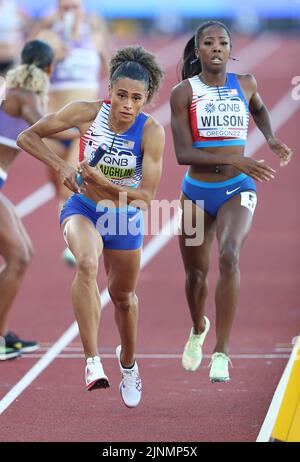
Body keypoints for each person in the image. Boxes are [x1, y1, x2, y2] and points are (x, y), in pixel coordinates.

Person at [17, 45, 165, 407]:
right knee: (84, 263)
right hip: (82, 208)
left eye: (137, 98)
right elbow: (27, 137)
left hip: (125, 216)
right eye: (121, 95)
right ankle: (92, 361)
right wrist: (62, 166)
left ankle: (128, 364)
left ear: (146, 99)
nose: (128, 105)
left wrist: (101, 181)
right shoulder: (85, 113)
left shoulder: (152, 133)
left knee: (123, 298)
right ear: (109, 91)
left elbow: (145, 198)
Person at [170, 21, 293, 383]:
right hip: (195, 193)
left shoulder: (247, 83)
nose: (217, 48)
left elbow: (257, 108)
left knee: (229, 255)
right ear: (198, 51)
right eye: (209, 43)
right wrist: (237, 158)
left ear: (230, 49)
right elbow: (182, 153)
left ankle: (221, 351)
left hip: (238, 189)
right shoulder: (184, 92)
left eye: (223, 42)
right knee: (195, 275)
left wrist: (269, 137)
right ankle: (198, 328)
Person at [31, 0, 111, 265]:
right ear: (56, 9)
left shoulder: (95, 35)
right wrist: (48, 57)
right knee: (60, 191)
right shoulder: (47, 37)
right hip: (53, 127)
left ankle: (77, 246)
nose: (70, 13)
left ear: (83, 9)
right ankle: (76, 235)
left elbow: (113, 72)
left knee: (73, 187)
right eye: (64, 8)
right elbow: (27, 71)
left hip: (82, 127)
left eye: (74, 7)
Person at [0, 40, 55, 361]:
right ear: (50, 69)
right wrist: (86, 123)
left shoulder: (15, 93)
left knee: (25, 252)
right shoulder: (25, 96)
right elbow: (44, 126)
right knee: (18, 256)